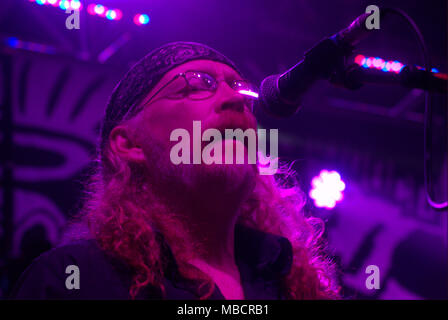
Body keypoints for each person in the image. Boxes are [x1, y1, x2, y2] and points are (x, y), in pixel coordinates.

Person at [10, 42, 339, 300]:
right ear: (129, 144)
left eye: (240, 88)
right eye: (197, 84)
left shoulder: (290, 284)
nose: (235, 100)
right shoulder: (72, 281)